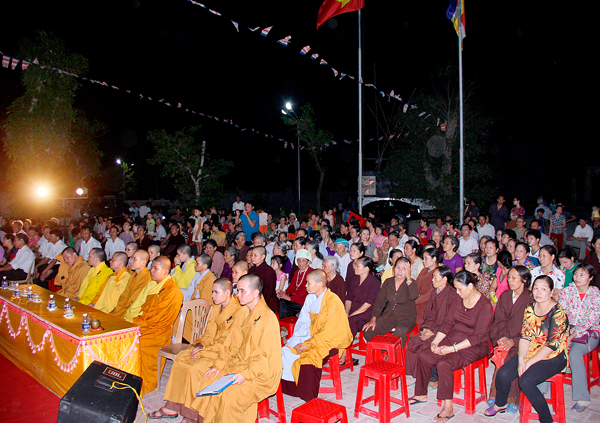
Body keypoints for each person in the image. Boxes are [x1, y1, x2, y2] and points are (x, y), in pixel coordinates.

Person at [149, 278, 248, 422]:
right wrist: (200, 345)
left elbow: (229, 343)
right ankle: (171, 407)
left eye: (216, 292)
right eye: (212, 292)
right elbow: (208, 334)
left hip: (223, 353)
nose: (212, 296)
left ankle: (191, 415)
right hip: (209, 348)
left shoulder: (239, 311)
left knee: (194, 369)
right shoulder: (216, 308)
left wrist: (205, 351)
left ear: (227, 293)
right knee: (181, 360)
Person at [190, 274, 282, 423]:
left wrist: (244, 374)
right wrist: (219, 365)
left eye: (242, 291)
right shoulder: (243, 311)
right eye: (237, 290)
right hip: (239, 364)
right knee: (208, 381)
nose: (237, 295)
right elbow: (232, 344)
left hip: (260, 373)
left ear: (255, 293)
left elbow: (264, 357)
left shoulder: (268, 318)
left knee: (229, 397)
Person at [409, 271, 494, 422]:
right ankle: (421, 394)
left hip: (475, 345)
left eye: (460, 289)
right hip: (454, 337)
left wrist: (451, 349)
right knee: (425, 355)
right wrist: (436, 342)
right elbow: (448, 324)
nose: (458, 293)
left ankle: (448, 407)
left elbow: (477, 337)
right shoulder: (458, 299)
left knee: (444, 363)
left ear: (471, 286)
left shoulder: (485, 306)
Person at [485, 275, 569, 422]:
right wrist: (521, 359)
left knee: (526, 381)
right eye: (536, 288)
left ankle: (546, 419)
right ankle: (500, 404)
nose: (538, 292)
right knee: (503, 373)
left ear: (551, 292)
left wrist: (527, 363)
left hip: (553, 356)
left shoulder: (558, 313)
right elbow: (525, 337)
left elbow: (551, 346)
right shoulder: (530, 308)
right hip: (531, 350)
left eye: (543, 289)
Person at [281, 269, 353, 402]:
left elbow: (329, 332)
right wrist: (300, 339)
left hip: (331, 340)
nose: (305, 286)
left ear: (320, 284)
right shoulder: (310, 298)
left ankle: (308, 397)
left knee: (308, 358)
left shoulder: (333, 301)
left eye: (308, 283)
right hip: (312, 335)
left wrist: (307, 345)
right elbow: (303, 322)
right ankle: (290, 389)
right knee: (286, 351)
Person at [134, 256, 183, 395]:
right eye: (152, 267)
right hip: (148, 325)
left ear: (166, 271)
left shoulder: (172, 291)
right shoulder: (157, 287)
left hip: (158, 332)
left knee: (137, 342)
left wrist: (138, 322)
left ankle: (143, 383)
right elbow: (146, 309)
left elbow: (157, 318)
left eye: (156, 268)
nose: (151, 271)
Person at [488, 266, 534, 412]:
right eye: (509, 277)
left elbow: (532, 327)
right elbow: (498, 320)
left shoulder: (531, 298)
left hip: (522, 341)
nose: (510, 280)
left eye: (514, 278)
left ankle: (511, 398)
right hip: (504, 337)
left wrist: (514, 340)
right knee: (501, 353)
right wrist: (500, 338)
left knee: (510, 357)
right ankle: (498, 394)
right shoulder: (505, 296)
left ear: (524, 280)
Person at [557, 263, 600, 412]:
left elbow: (590, 320)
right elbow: (561, 313)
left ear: (590, 278)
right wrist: (564, 334)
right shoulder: (568, 291)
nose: (577, 277)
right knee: (551, 348)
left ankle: (583, 398)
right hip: (568, 330)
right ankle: (542, 389)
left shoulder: (596, 295)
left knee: (575, 353)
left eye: (582, 275)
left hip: (589, 332)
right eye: (576, 274)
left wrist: (572, 336)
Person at [405, 266, 457, 384]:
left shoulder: (452, 295)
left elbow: (450, 322)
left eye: (435, 277)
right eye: (432, 277)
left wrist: (433, 333)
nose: (432, 280)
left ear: (445, 279)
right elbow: (429, 314)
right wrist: (426, 329)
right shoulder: (435, 292)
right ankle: (418, 375)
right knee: (414, 342)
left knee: (426, 346)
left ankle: (432, 378)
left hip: (445, 332)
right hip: (432, 328)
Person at [363, 257, 419, 343]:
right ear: (394, 268)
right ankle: (384, 348)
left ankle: (392, 351)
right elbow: (379, 301)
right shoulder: (388, 282)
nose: (400, 271)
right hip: (388, 317)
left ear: (408, 271)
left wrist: (408, 278)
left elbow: (413, 296)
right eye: (398, 267)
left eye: (404, 269)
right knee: (368, 330)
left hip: (406, 318)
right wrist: (373, 319)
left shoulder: (412, 283)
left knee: (399, 332)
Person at [345, 256, 381, 337]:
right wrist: (346, 312)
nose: (355, 268)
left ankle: (346, 343)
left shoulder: (374, 282)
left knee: (352, 320)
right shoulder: (354, 279)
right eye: (355, 265)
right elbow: (348, 299)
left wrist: (351, 315)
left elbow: (367, 304)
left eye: (358, 266)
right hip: (353, 310)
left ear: (366, 269)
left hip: (366, 312)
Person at [110, 249, 152, 317]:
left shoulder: (147, 278)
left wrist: (121, 313)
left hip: (133, 313)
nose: (131, 261)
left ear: (143, 262)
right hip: (123, 309)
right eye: (131, 258)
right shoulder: (133, 275)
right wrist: (118, 310)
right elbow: (124, 296)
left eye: (134, 259)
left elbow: (136, 301)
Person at [278, 249, 313, 318]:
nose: (300, 263)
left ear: (308, 262)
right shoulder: (297, 272)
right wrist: (284, 293)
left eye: (303, 260)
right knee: (280, 301)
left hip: (304, 302)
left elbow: (306, 292)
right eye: (299, 260)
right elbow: (291, 287)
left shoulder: (311, 272)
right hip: (294, 300)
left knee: (284, 306)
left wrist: (290, 298)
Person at [248, 246, 278, 314]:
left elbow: (268, 291)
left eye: (255, 255)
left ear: (263, 257)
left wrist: (259, 304)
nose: (252, 257)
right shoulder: (252, 269)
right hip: (252, 299)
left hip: (267, 301)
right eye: (252, 255)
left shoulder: (269, 271)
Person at [414, 248, 440, 326]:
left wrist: (415, 301)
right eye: (423, 258)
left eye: (426, 258)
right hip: (417, 299)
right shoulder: (424, 270)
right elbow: (416, 285)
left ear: (434, 259)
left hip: (428, 304)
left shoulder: (439, 273)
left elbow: (431, 294)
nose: (423, 261)